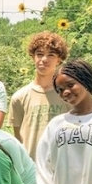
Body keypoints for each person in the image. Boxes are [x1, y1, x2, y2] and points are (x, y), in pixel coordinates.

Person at [10, 32, 70, 160]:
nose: (44, 59)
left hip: (61, 165)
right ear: (33, 57)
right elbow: (18, 139)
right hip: (30, 168)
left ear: (59, 59)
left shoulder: (67, 95)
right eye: (40, 54)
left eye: (51, 55)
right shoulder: (19, 97)